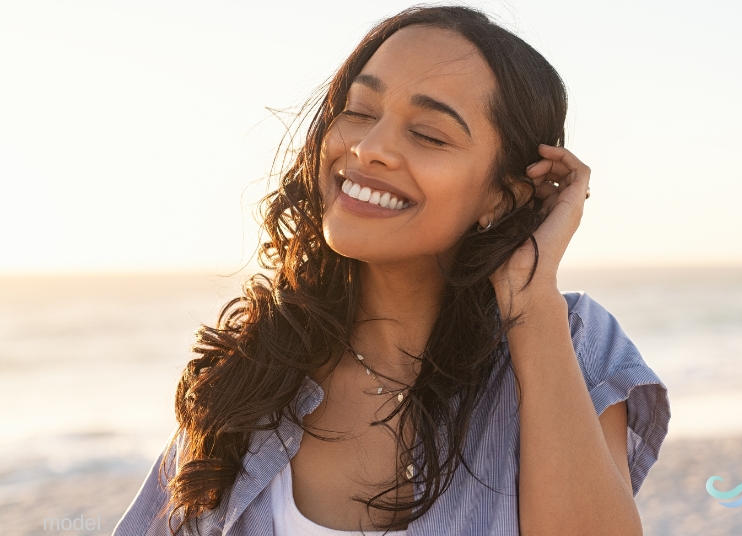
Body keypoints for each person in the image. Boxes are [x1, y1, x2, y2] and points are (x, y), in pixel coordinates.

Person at [113, 5, 669, 536]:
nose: (370, 148)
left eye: (428, 134)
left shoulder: (568, 342)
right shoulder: (252, 369)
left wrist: (531, 301)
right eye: (358, 111)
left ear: (501, 196)